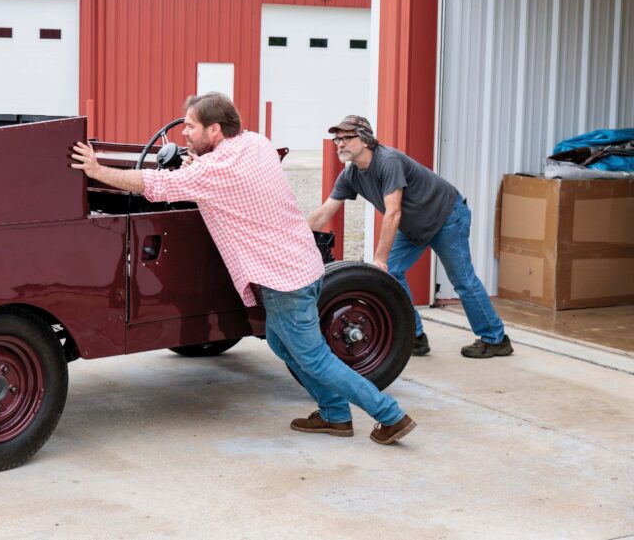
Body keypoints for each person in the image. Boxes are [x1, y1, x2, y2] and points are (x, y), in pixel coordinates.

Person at [70, 93, 416, 445]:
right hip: (303, 264)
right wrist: (196, 171)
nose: (184, 134)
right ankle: (335, 414)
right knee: (283, 346)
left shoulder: (212, 171)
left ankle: (391, 415)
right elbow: (224, 179)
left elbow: (153, 185)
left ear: (215, 129)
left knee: (316, 359)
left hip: (282, 280)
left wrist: (97, 171)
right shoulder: (256, 143)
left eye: (190, 126)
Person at [308, 115, 512, 359]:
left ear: (365, 140)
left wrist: (379, 258)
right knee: (391, 274)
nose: (340, 144)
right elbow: (324, 213)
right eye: (337, 139)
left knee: (462, 280)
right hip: (414, 225)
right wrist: (294, 235)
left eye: (346, 138)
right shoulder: (351, 175)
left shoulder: (388, 161)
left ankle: (495, 339)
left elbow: (393, 212)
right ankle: (413, 336)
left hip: (446, 216)